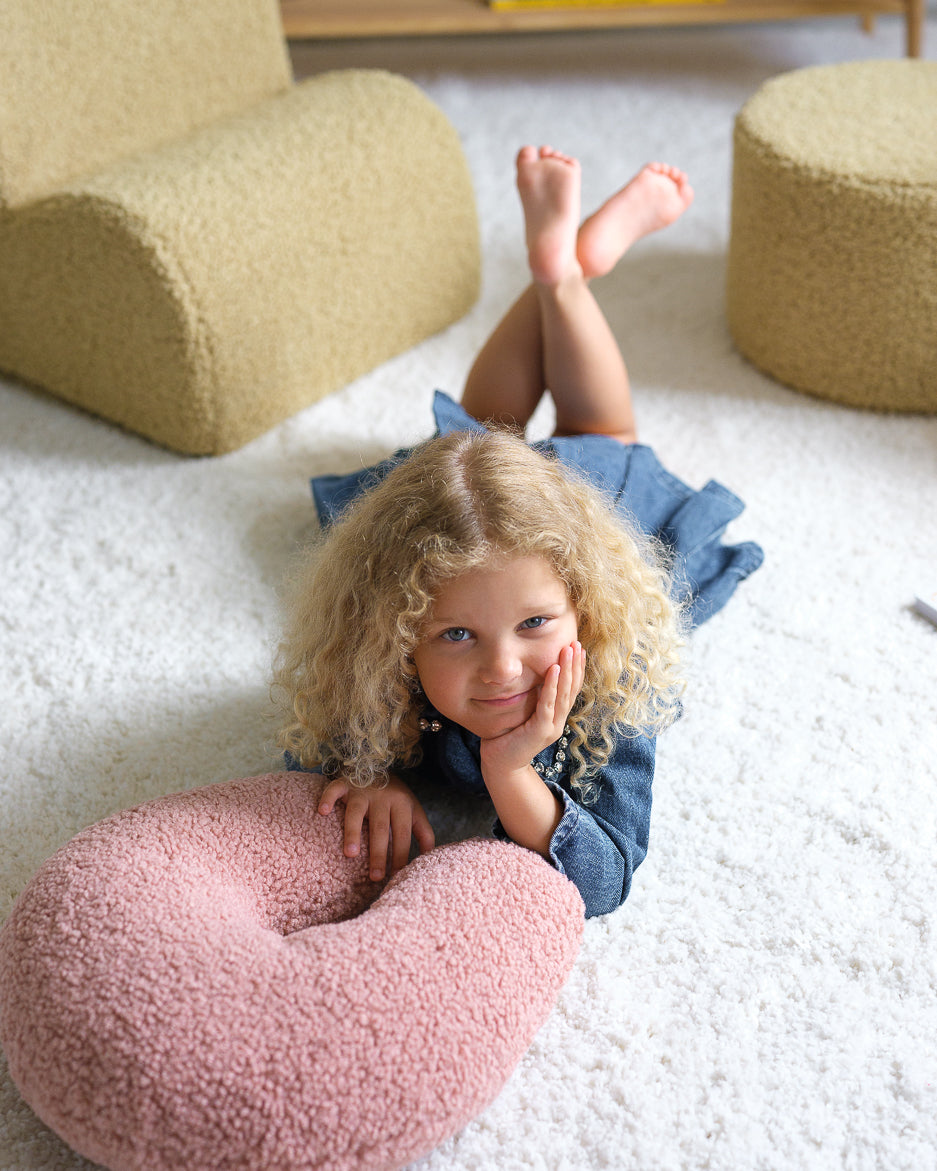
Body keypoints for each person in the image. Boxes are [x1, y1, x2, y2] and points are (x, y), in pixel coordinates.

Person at [273, 146, 763, 918]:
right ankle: (560, 269)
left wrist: (511, 770)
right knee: (480, 432)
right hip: (474, 496)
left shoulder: (613, 676)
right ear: (394, 639)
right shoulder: (372, 670)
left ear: (585, 607)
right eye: (455, 635)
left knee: (593, 432)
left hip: (587, 494)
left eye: (535, 623)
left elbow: (604, 880)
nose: (503, 668)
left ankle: (561, 272)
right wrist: (371, 773)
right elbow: (314, 742)